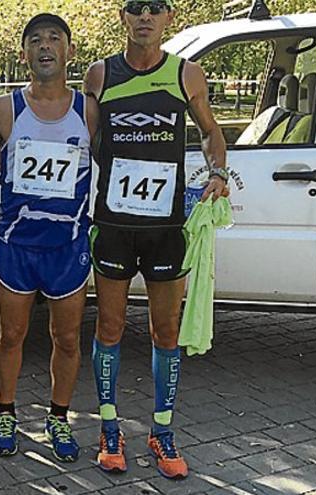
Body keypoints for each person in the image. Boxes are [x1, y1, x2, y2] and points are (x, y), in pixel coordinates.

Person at [84, 0, 230, 479]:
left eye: (155, 8)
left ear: (169, 18)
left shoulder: (187, 73)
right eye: (135, 8)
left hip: (166, 229)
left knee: (165, 333)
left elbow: (211, 132)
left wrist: (217, 171)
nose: (144, 16)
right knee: (109, 329)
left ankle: (162, 431)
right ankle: (110, 429)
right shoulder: (99, 75)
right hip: (114, 225)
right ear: (123, 18)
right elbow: (82, 142)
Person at [0, 13, 91, 463]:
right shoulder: (7, 109)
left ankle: (58, 416)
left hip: (67, 246)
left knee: (66, 339)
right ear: (24, 54)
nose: (46, 47)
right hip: (17, 245)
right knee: (11, 336)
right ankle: (6, 412)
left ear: (69, 51)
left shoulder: (88, 109)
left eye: (54, 39)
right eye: (36, 41)